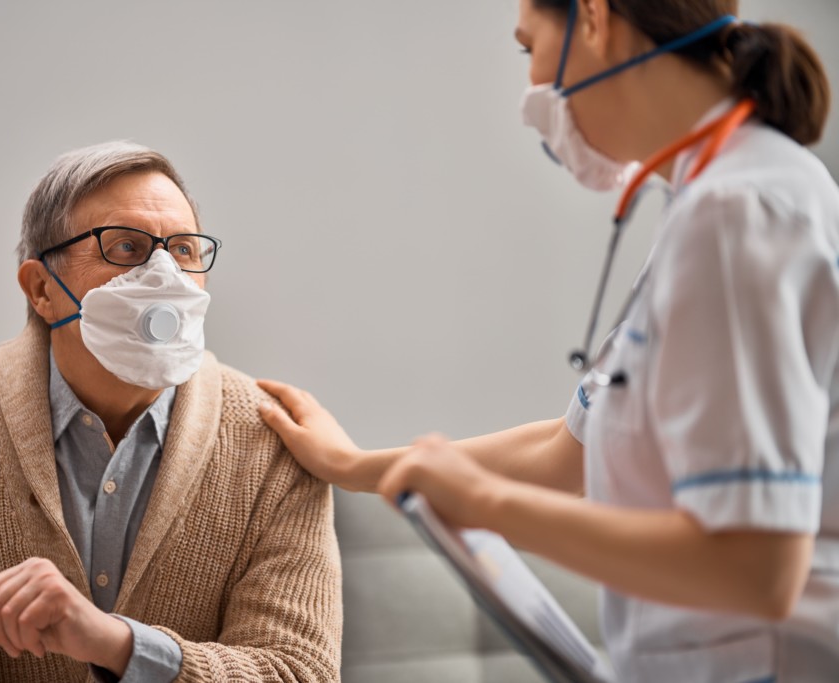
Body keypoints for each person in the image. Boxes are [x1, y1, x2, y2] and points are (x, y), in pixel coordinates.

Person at [258, 1, 838, 681]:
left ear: (593, 18)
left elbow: (754, 569)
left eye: (528, 47)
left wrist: (484, 503)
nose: (533, 88)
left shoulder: (737, 210)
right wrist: (352, 465)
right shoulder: (715, 200)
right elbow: (572, 452)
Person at [0, 141, 342, 682]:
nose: (165, 275)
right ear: (43, 289)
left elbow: (298, 672)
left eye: (183, 250)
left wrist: (118, 644)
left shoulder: (277, 439)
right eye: (125, 247)